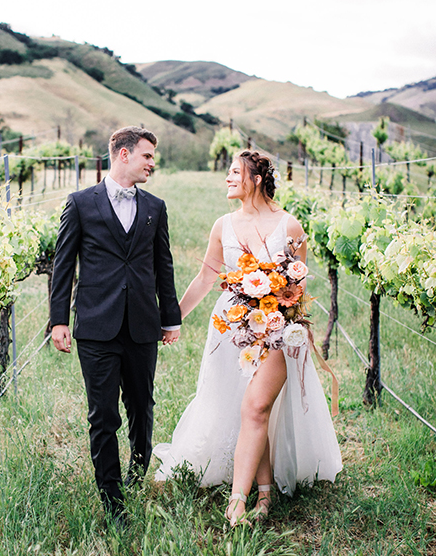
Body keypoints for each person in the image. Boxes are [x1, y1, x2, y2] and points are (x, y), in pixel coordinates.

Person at [153, 150, 342, 525]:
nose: (227, 177)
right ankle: (265, 492)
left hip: (276, 330)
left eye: (235, 171)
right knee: (248, 408)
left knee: (255, 406)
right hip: (231, 328)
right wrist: (170, 319)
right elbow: (207, 279)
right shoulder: (222, 224)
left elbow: (299, 288)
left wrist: (276, 300)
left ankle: (237, 501)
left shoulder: (289, 226)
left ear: (256, 178)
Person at [51, 126, 181, 527]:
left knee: (142, 408)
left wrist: (170, 316)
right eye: (147, 156)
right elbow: (63, 265)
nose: (152, 164)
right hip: (95, 326)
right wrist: (58, 320)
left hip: (143, 325)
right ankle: (112, 501)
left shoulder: (155, 208)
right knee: (102, 416)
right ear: (123, 155)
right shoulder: (79, 204)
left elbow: (164, 266)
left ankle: (137, 475)